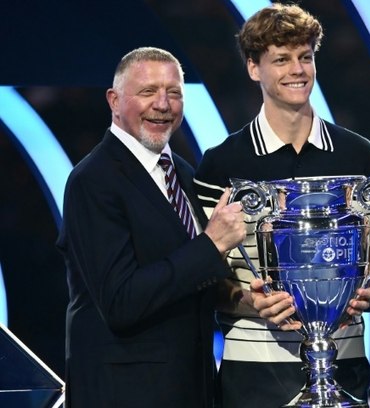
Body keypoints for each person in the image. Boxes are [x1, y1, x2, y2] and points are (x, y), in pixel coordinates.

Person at [193, 4, 370, 407]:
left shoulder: (358, 155)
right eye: (281, 59)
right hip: (253, 372)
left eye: (305, 57)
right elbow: (203, 277)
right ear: (253, 68)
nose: (297, 70)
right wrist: (250, 302)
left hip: (344, 364)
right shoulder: (221, 164)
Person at [56, 47, 246, 408]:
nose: (163, 104)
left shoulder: (184, 175)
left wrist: (241, 296)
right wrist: (211, 245)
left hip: (191, 386)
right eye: (147, 92)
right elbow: (120, 301)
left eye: (174, 93)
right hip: (124, 393)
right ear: (114, 100)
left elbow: (189, 281)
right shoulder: (93, 180)